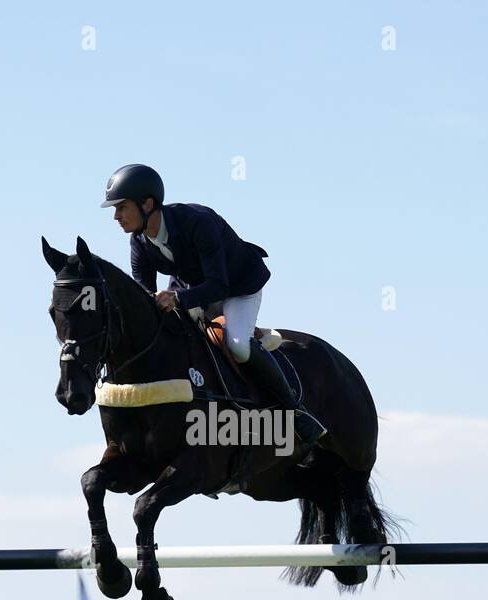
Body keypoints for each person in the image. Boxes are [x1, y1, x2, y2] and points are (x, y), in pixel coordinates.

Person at [101, 163, 327, 452]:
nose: (116, 216)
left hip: (237, 286)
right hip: (194, 288)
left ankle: (295, 411)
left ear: (147, 204)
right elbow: (146, 294)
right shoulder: (140, 241)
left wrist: (178, 299)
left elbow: (218, 286)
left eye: (121, 207)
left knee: (238, 345)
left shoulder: (198, 221)